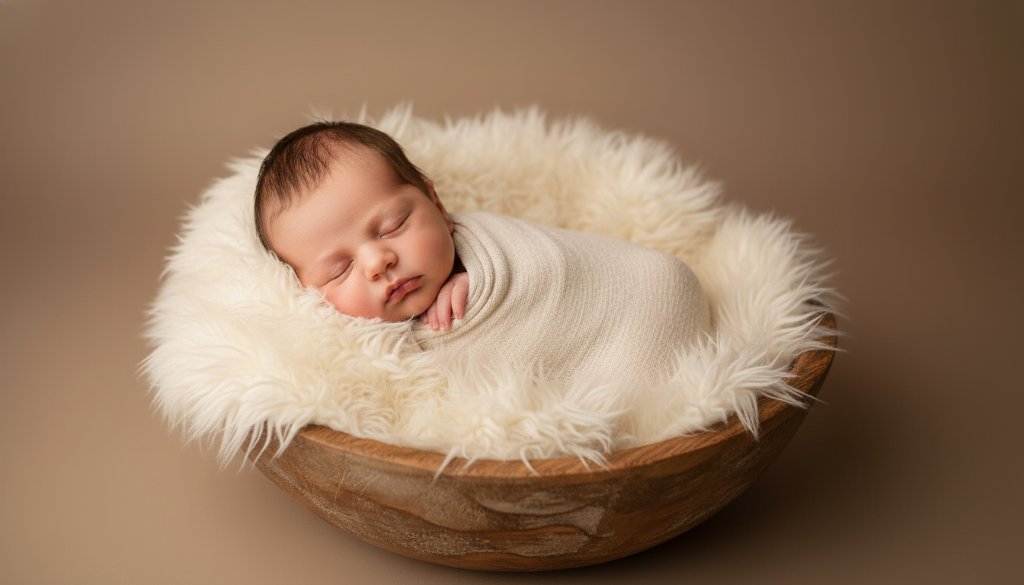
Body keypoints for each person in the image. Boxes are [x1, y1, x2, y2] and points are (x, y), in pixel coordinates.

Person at [255, 121, 710, 386]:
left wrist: (478, 277)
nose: (378, 262)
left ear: (436, 203)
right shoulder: (348, 352)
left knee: (663, 279)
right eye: (340, 269)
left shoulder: (489, 244)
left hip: (649, 290)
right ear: (305, 291)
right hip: (608, 377)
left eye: (393, 226)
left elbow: (549, 264)